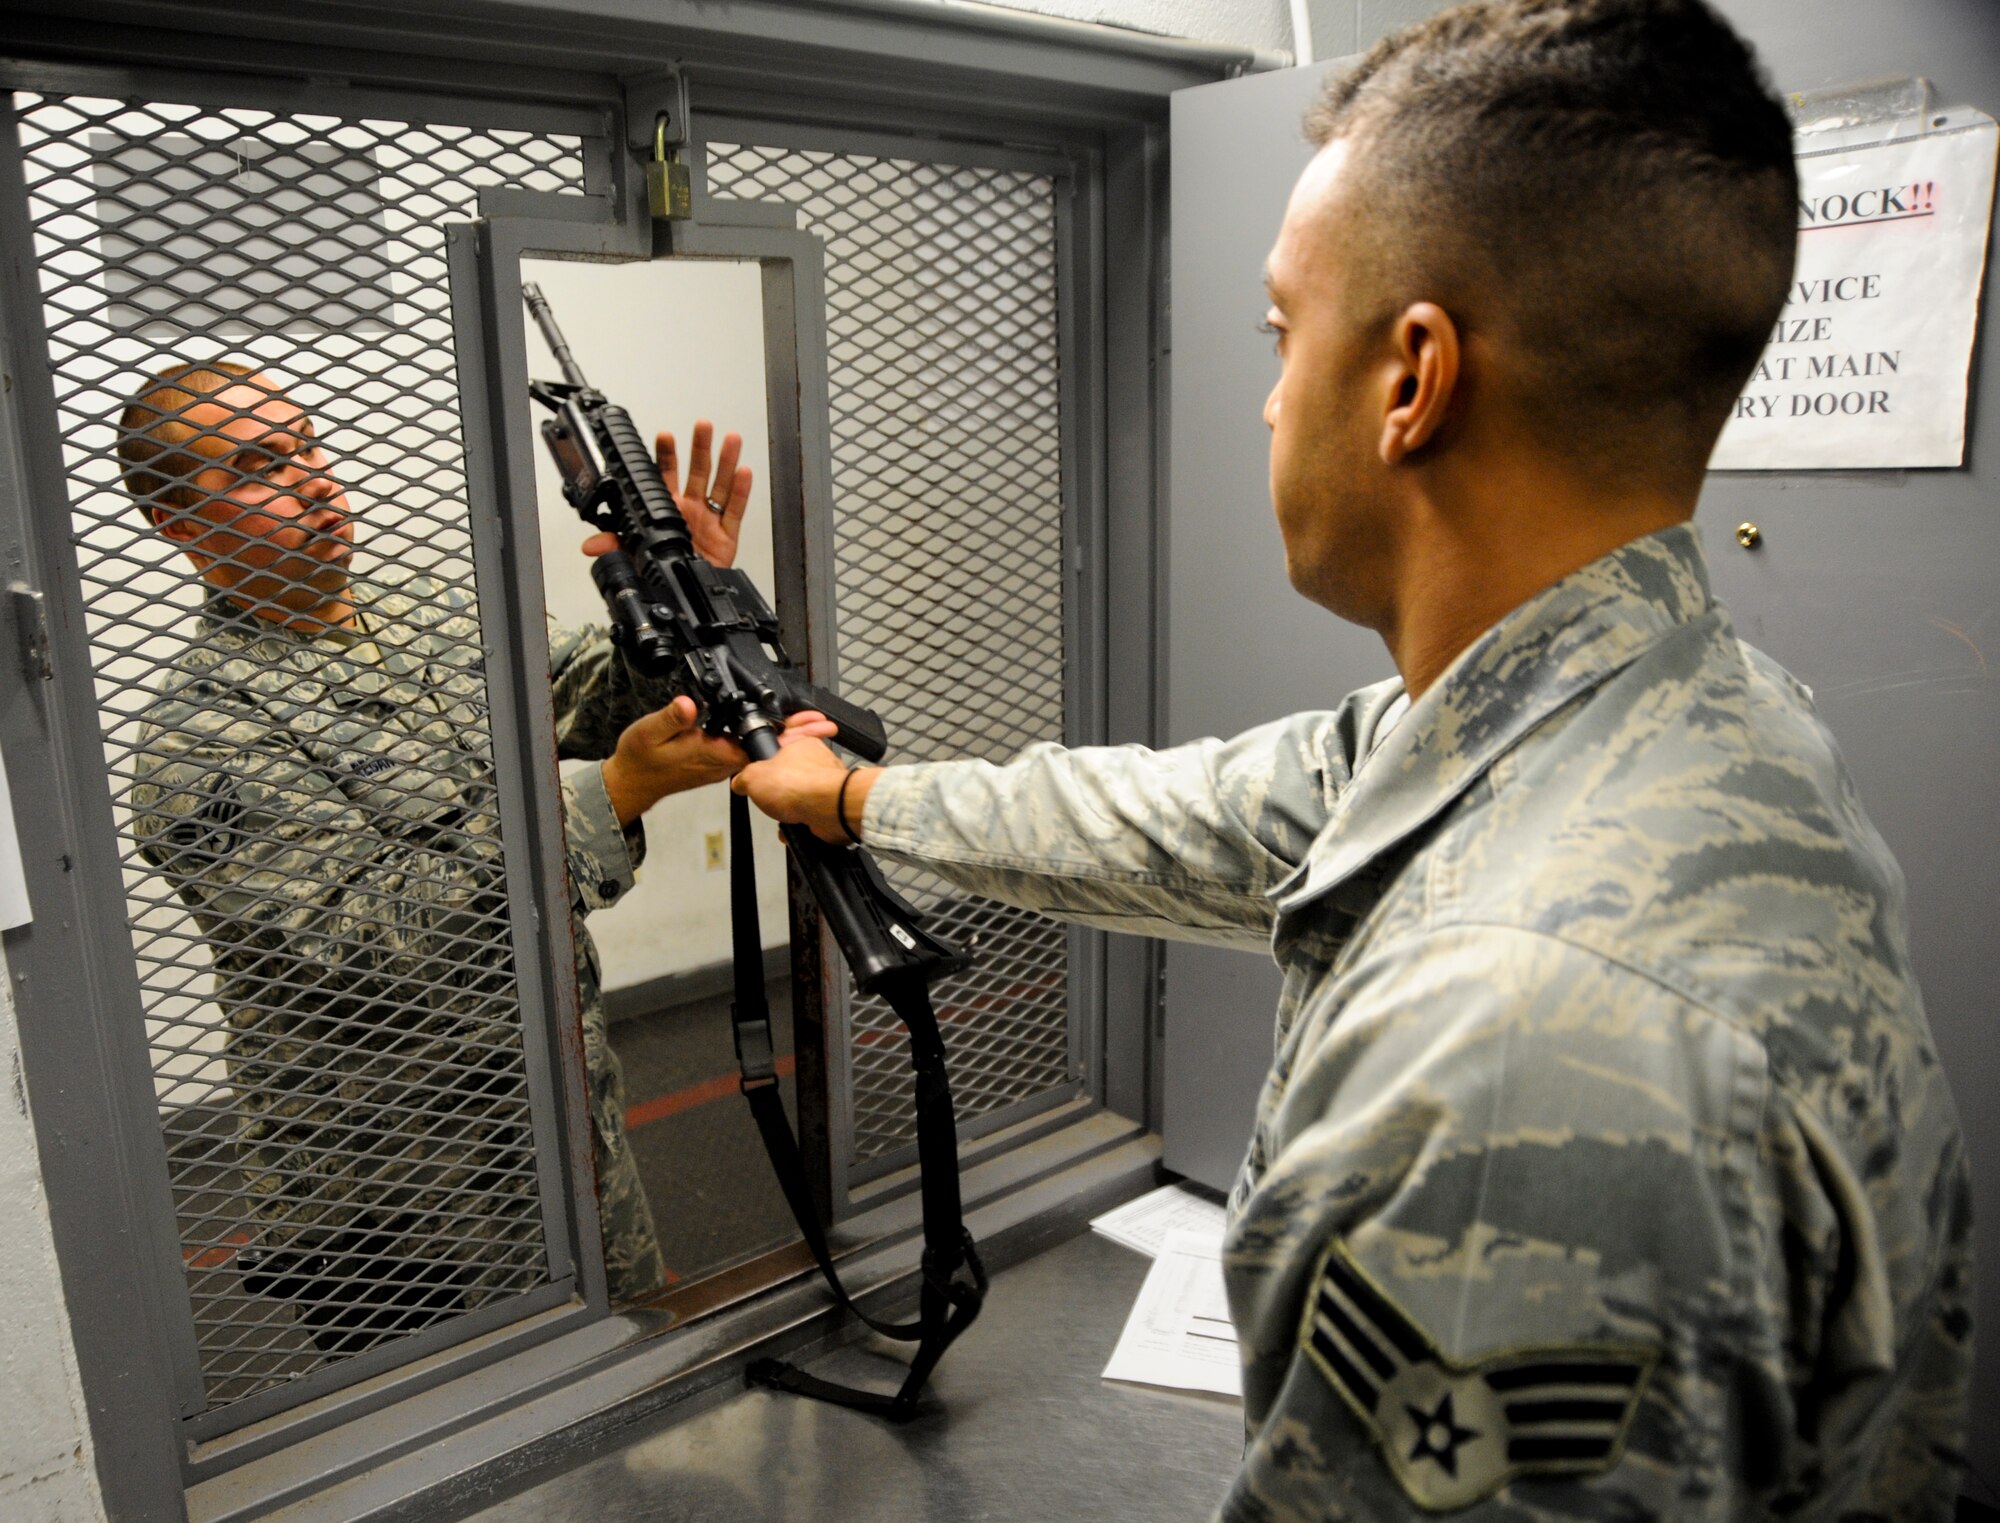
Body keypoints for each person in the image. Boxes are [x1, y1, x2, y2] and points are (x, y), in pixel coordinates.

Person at [735, 1, 1972, 1517]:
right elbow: (1189, 815)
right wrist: (863, 796)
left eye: (1280, 330)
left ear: (1411, 379)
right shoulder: (1684, 711)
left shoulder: (1511, 1058)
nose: (1266, 394)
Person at [117, 360, 821, 1348]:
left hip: (557, 1109)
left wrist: (676, 600)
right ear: (177, 523)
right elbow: (372, 938)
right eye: (261, 465)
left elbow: (586, 696)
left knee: (624, 1367)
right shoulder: (198, 738)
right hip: (393, 1193)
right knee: (465, 1452)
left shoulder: (432, 611)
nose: (315, 478)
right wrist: (612, 791)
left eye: (309, 444)